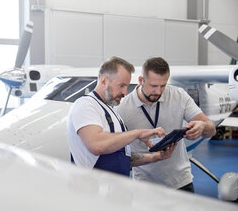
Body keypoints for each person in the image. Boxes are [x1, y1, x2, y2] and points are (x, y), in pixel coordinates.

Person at [116, 57, 216, 192]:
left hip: (181, 181)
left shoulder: (179, 96)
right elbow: (117, 152)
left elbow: (211, 129)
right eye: (153, 86)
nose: (158, 92)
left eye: (163, 85)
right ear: (141, 80)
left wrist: (203, 127)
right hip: (144, 185)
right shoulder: (122, 108)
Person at [67, 56, 176, 177]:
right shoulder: (85, 105)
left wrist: (156, 157)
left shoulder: (112, 111)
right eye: (122, 86)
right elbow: (96, 145)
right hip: (93, 191)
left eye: (127, 86)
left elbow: (123, 157)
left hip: (114, 190)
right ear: (104, 81)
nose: (125, 92)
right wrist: (138, 133)